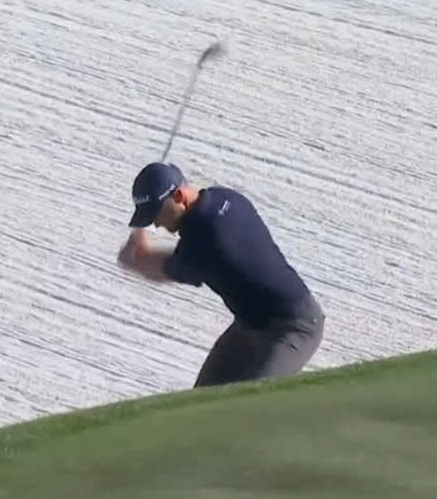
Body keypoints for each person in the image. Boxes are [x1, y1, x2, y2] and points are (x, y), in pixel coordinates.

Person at [117, 161, 325, 388]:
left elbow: (157, 269)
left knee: (249, 403)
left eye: (157, 213)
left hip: (293, 327)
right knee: (199, 402)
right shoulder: (225, 197)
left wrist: (134, 258)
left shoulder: (205, 238)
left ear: (178, 196)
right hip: (251, 324)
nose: (156, 224)